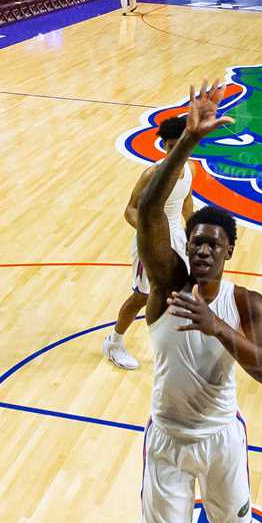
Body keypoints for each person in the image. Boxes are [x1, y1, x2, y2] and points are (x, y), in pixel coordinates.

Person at [136, 80, 262, 523]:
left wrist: (218, 327)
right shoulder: (166, 284)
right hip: (168, 441)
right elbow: (150, 211)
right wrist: (185, 145)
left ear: (229, 252)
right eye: (195, 240)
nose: (201, 248)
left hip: (222, 439)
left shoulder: (247, 304)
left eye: (212, 244)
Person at [101, 116, 193, 370]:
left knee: (181, 293)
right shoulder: (152, 174)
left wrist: (193, 230)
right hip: (151, 240)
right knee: (142, 295)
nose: (176, 152)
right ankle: (114, 342)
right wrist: (150, 233)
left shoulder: (190, 169)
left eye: (181, 146)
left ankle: (176, 346)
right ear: (164, 146)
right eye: (171, 147)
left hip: (177, 236)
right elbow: (130, 209)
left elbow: (186, 202)